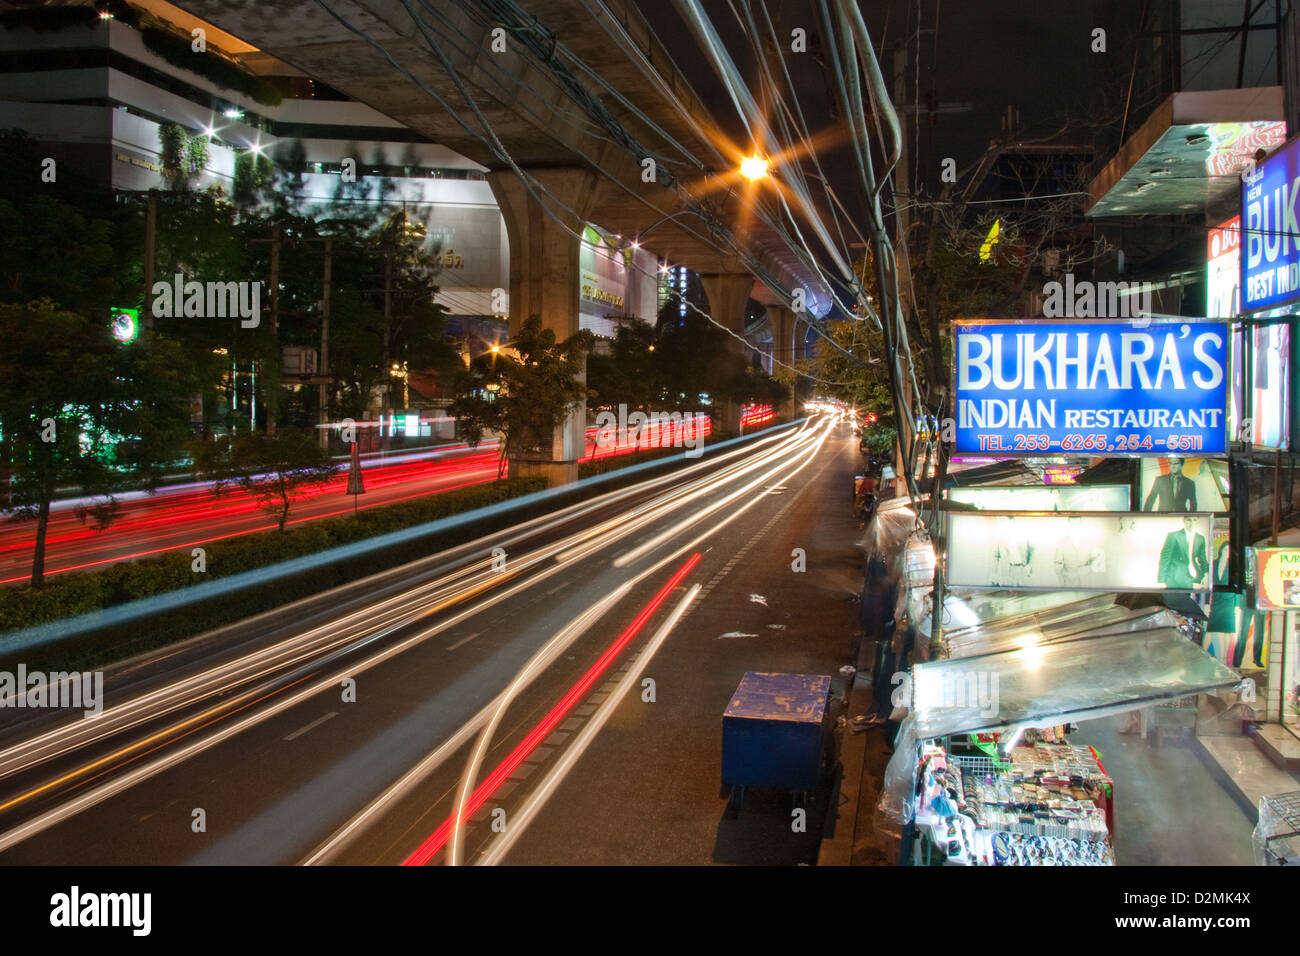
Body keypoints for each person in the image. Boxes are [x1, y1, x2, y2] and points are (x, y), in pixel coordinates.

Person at [1157, 516, 1209, 589]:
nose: (1191, 523)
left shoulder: (1200, 538)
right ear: (1184, 520)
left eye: (1194, 520)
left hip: (1195, 577)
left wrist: (1206, 575)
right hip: (1175, 577)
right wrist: (1161, 580)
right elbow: (1165, 558)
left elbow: (1202, 559)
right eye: (1189, 520)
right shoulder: (1174, 536)